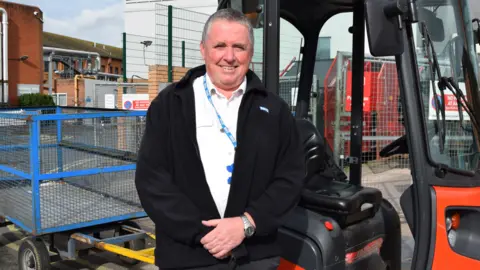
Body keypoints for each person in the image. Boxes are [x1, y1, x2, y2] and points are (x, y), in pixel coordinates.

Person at [135, 7, 306, 270]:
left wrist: (246, 223)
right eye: (220, 46)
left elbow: (290, 178)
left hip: (256, 256)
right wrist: (203, 234)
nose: (229, 57)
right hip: (187, 257)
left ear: (250, 53)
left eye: (238, 47)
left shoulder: (274, 110)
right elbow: (152, 180)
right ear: (203, 49)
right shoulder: (170, 105)